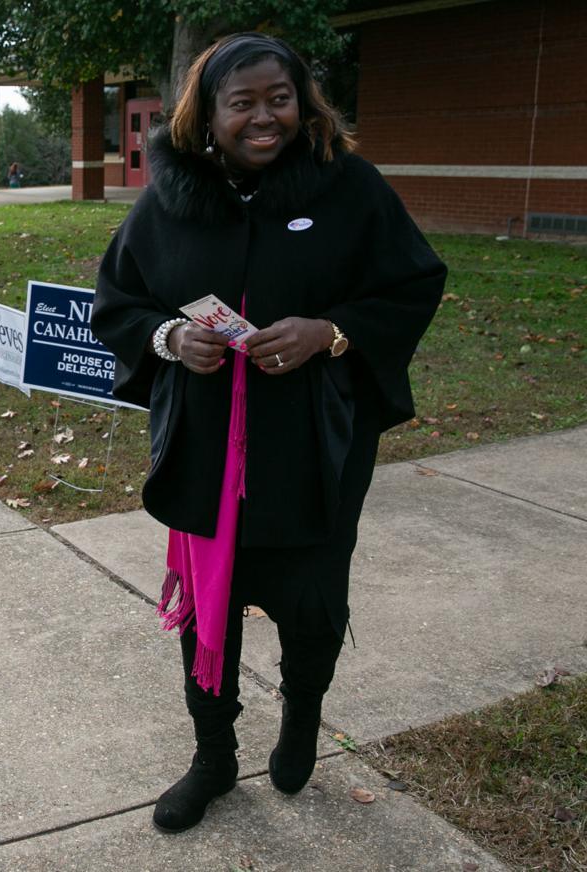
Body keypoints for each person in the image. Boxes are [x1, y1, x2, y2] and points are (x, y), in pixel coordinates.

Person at [90, 33, 446, 834]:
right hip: (206, 452)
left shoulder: (346, 185)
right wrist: (170, 341)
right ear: (206, 114)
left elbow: (414, 280)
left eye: (278, 99)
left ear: (302, 100)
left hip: (313, 446)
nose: (263, 118)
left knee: (312, 601)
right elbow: (118, 299)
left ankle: (301, 723)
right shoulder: (169, 197)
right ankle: (213, 757)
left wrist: (332, 332)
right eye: (241, 103)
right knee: (207, 607)